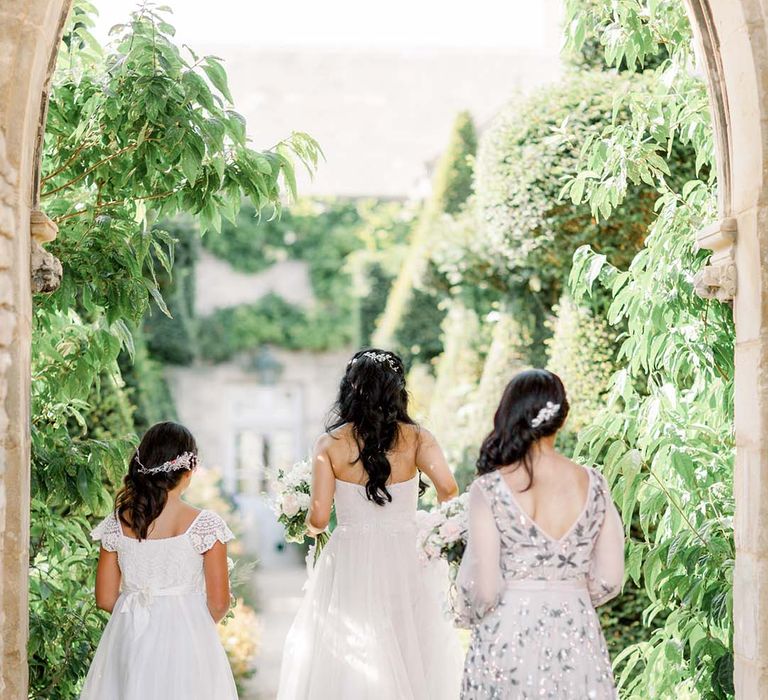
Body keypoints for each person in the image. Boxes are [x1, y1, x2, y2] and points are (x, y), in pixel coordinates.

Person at [277, 348, 464, 700]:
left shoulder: (329, 444)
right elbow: (449, 489)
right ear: (397, 390)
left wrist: (310, 527)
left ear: (349, 390)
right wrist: (435, 530)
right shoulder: (418, 438)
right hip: (407, 553)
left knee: (353, 647)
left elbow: (318, 517)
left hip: (351, 558)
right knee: (410, 644)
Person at [457, 369, 624, 699]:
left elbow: (485, 589)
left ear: (508, 414)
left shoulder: (489, 488)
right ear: (560, 418)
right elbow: (610, 578)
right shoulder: (594, 484)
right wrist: (566, 593)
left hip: (507, 635)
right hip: (576, 630)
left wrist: (468, 611)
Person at [80, 421, 238, 700]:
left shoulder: (118, 523)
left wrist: (146, 619)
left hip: (130, 635)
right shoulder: (206, 525)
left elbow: (105, 599)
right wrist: (182, 621)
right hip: (187, 638)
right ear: (189, 470)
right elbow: (219, 603)